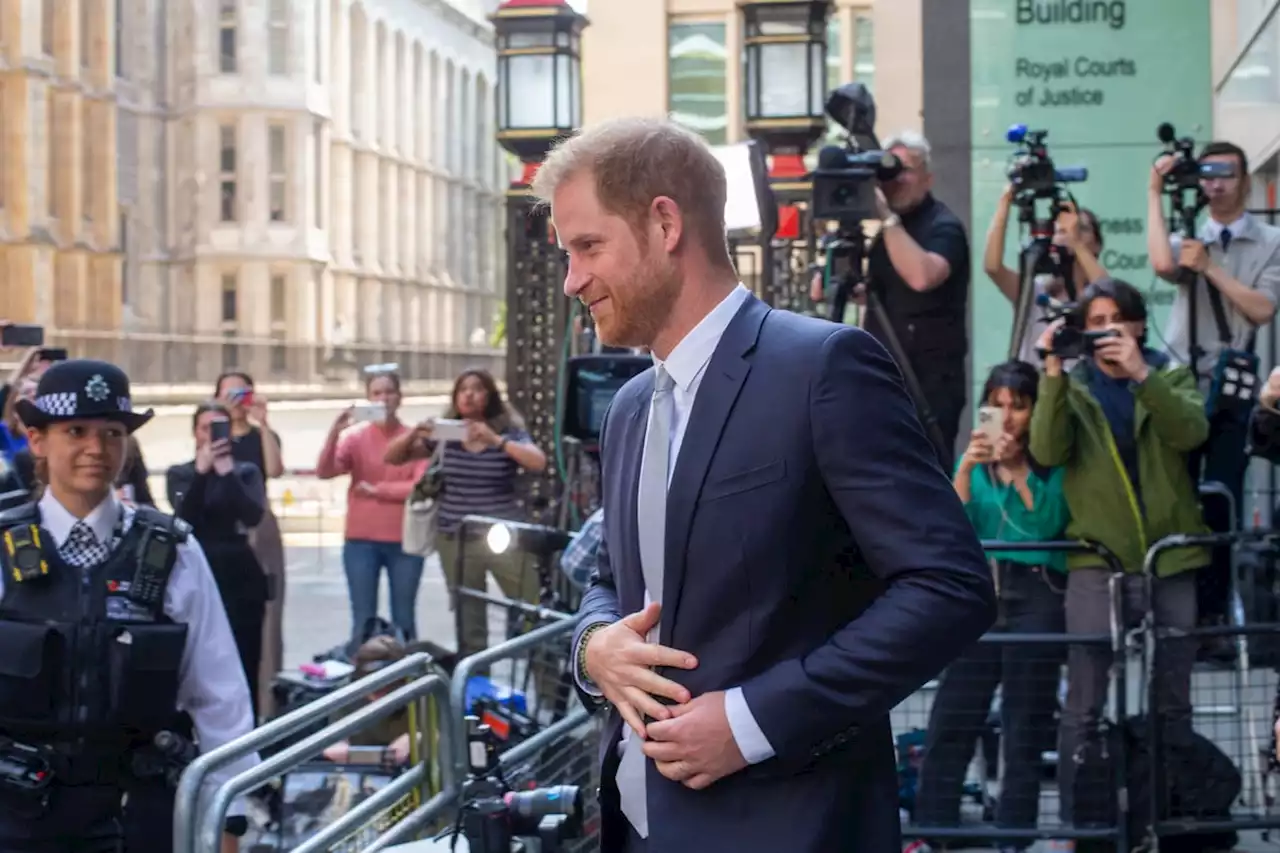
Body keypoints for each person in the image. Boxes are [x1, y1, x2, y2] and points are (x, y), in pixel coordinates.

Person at [531, 117, 996, 853]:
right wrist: (594, 647)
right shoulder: (625, 411)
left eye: (588, 246)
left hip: (792, 825)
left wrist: (752, 722)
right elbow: (615, 582)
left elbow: (949, 585)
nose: (572, 279)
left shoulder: (824, 367)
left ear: (664, 223)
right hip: (634, 829)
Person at [0, 359, 257, 852]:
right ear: (37, 440)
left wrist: (232, 818)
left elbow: (220, 697)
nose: (96, 449)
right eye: (76, 431)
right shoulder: (3, 546)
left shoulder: (174, 552)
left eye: (112, 433)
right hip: (16, 817)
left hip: (135, 818)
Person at [1030, 278, 1209, 825]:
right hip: (1096, 560)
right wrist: (1052, 376)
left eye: (1115, 320)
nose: (1106, 331)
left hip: (1171, 558)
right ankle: (1079, 821)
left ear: (1136, 323)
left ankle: (1170, 813)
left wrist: (1141, 375)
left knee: (1173, 697)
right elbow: (1046, 449)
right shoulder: (1075, 383)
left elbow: (1192, 431)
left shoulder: (1170, 374)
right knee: (1083, 700)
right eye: (1095, 322)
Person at [910, 361, 1068, 852]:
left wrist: (1019, 470)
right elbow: (949, 525)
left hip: (1037, 591)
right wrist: (966, 467)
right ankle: (936, 826)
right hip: (983, 592)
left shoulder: (1052, 458)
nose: (1007, 416)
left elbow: (1045, 525)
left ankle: (1015, 834)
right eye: (997, 405)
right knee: (954, 712)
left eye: (1018, 406)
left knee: (1026, 720)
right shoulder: (975, 461)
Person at [1147, 141, 1280, 637]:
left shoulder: (1269, 240)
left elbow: (1262, 309)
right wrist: (1154, 192)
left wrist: (1211, 267)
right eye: (1207, 174)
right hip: (1183, 377)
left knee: (1222, 495)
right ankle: (1178, 611)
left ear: (1245, 180)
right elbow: (1162, 265)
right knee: (1178, 493)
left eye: (1226, 174)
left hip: (1234, 383)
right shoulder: (1189, 233)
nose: (1215, 184)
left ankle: (1217, 614)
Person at [383, 368, 548, 660]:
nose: (469, 395)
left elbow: (537, 462)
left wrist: (495, 440)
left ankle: (548, 693)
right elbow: (392, 457)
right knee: (468, 619)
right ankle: (475, 691)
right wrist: (414, 435)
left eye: (477, 389)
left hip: (503, 536)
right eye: (463, 390)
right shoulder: (447, 434)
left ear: (489, 396)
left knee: (530, 608)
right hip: (456, 538)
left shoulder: (506, 431)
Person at [861, 130, 972, 469]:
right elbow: (869, 292)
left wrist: (887, 219)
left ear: (928, 177)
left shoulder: (944, 226)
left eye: (905, 169)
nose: (897, 179)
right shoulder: (887, 236)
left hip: (929, 387)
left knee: (926, 475)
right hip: (882, 379)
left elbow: (922, 276)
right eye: (890, 171)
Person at [167, 401, 269, 714]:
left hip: (239, 568)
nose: (212, 435)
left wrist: (226, 473)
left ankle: (248, 729)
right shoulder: (181, 473)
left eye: (219, 428)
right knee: (197, 655)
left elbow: (252, 516)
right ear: (195, 433)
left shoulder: (245, 471)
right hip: (198, 564)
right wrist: (201, 472)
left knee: (245, 653)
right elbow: (183, 519)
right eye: (205, 428)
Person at [316, 370, 428, 642]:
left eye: (389, 392)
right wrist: (335, 432)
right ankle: (365, 678)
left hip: (405, 541)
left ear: (400, 398)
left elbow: (419, 486)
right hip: (360, 541)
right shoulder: (355, 439)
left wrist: (377, 490)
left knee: (404, 618)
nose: (384, 399)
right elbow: (325, 471)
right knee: (362, 620)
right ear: (368, 399)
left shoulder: (414, 439)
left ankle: (407, 679)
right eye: (376, 394)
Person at [214, 371, 287, 718]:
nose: (236, 401)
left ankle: (268, 699)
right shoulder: (215, 435)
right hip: (224, 529)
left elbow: (274, 470)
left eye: (242, 393)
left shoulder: (262, 435)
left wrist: (263, 423)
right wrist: (218, 423)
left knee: (269, 614)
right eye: (229, 394)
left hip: (260, 525)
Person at [983, 186, 1108, 365]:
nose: (1068, 231)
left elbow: (1109, 291)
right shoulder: (1035, 289)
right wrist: (1005, 203)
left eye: (1081, 228)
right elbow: (993, 268)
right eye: (1060, 229)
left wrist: (1076, 242)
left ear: (1097, 245)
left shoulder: (1100, 291)